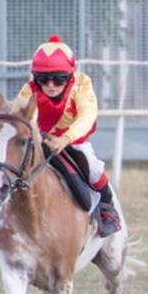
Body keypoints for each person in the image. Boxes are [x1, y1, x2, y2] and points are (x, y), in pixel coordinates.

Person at [16, 34, 121, 237]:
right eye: (43, 79)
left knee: (93, 168)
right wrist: (39, 138)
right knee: (10, 165)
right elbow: (22, 116)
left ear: (70, 76)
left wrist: (65, 139)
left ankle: (108, 209)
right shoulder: (29, 90)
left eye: (58, 79)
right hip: (40, 143)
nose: (50, 85)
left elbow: (87, 115)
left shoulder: (82, 84)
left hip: (74, 143)